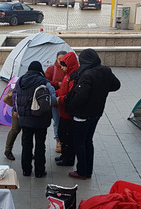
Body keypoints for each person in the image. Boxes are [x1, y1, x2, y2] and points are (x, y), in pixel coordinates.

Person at [64, 48, 120, 180]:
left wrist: (70, 107)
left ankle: (82, 171)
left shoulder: (86, 74)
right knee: (88, 141)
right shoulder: (105, 70)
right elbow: (116, 85)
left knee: (79, 143)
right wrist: (101, 90)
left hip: (82, 114)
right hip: (97, 113)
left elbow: (81, 97)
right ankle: (88, 170)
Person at [12, 61, 57, 178]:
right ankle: (39, 171)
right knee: (40, 145)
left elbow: (14, 95)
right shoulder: (44, 81)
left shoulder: (21, 80)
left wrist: (16, 110)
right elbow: (52, 98)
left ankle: (26, 170)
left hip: (25, 119)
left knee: (26, 145)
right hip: (40, 119)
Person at [53, 51, 80, 167]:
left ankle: (68, 159)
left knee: (67, 136)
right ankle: (64, 155)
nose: (62, 68)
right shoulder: (68, 75)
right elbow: (63, 90)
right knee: (62, 134)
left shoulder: (73, 77)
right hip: (63, 110)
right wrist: (56, 94)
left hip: (67, 112)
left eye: (64, 65)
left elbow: (70, 95)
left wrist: (59, 99)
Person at [44, 50, 67, 153]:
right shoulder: (51, 69)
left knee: (66, 122)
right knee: (57, 122)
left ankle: (65, 141)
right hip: (55, 101)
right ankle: (58, 141)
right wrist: (57, 84)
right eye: (59, 59)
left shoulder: (68, 70)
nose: (61, 62)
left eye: (63, 59)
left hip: (66, 101)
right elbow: (45, 82)